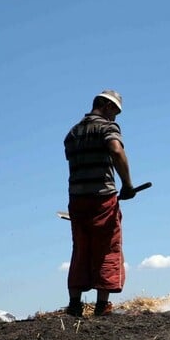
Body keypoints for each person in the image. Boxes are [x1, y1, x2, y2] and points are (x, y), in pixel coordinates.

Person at [63, 89, 136, 316]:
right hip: (102, 198)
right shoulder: (107, 127)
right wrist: (127, 184)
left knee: (81, 248)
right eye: (114, 111)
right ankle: (102, 306)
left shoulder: (72, 133)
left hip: (76, 199)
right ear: (106, 106)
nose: (115, 118)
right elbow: (116, 150)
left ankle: (75, 304)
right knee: (107, 247)